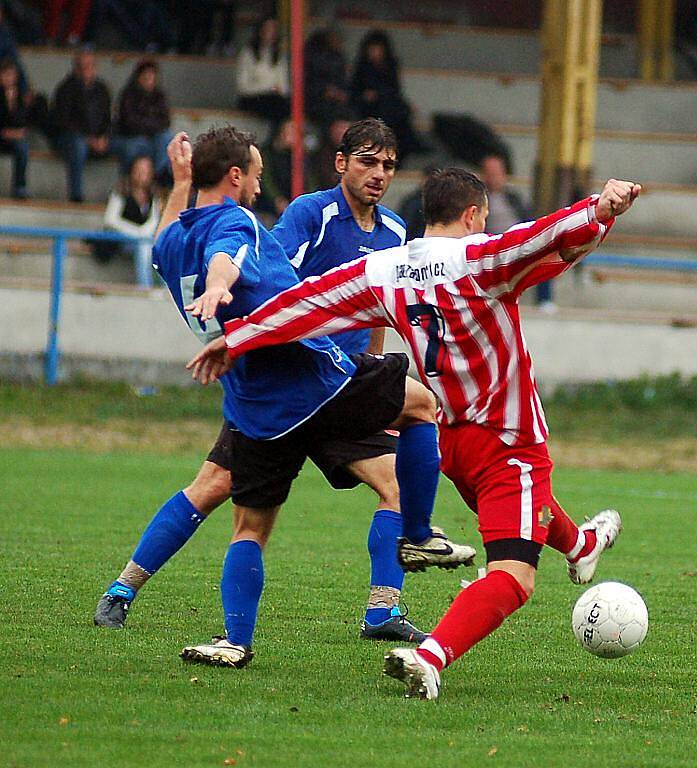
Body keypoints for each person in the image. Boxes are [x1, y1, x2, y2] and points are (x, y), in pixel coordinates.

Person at [188, 169, 641, 697]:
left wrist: (239, 338)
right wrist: (601, 210)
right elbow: (546, 236)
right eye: (484, 218)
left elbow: (310, 301)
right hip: (507, 440)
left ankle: (582, 544)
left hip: (449, 444)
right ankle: (431, 656)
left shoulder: (385, 268)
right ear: (473, 214)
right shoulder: (481, 259)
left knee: (526, 505)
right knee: (514, 576)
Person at [94, 127, 476, 666]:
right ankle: (415, 535)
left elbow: (165, 238)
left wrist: (179, 182)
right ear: (236, 176)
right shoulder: (251, 219)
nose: (259, 181)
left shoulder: (176, 238)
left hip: (263, 400)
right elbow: (230, 256)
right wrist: (220, 286)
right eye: (254, 171)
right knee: (422, 406)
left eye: (388, 164)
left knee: (260, 520)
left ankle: (266, 634)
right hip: (314, 379)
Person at [479, 152, 552, 308]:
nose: (494, 177)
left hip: (517, 241)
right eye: (490, 173)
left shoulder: (514, 198)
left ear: (504, 174)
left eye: (497, 173)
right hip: (491, 245)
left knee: (545, 253)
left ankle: (545, 300)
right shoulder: (478, 200)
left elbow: (529, 221)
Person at [349, 30, 427, 163]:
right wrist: (366, 95)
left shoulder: (390, 67)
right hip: (369, 109)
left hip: (388, 106)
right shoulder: (362, 68)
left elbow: (394, 91)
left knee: (399, 114)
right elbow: (354, 92)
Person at [51, 51, 112, 203]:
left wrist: (104, 137)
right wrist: (89, 139)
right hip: (70, 139)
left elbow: (107, 118)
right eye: (82, 66)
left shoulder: (102, 89)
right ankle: (76, 195)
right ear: (75, 69)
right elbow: (63, 121)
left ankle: (127, 198)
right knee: (78, 146)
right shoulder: (65, 89)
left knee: (130, 147)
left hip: (97, 139)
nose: (86, 70)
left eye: (89, 66)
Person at [99, 154, 160, 288]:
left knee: (158, 247)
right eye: (139, 170)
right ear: (132, 170)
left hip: (144, 238)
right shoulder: (121, 191)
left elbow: (154, 220)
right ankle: (145, 287)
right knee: (144, 247)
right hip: (122, 239)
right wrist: (135, 232)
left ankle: (164, 287)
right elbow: (110, 220)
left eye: (145, 171)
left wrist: (143, 233)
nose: (141, 174)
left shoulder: (152, 194)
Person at [114, 59, 172, 183]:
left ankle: (158, 176)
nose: (149, 79)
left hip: (154, 136)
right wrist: (150, 126)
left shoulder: (160, 96)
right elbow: (129, 122)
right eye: (146, 76)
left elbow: (165, 121)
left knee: (167, 138)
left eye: (152, 76)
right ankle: (130, 179)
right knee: (136, 145)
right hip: (132, 136)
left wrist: (149, 126)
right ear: (139, 77)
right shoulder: (128, 95)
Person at [235, 16, 289, 125]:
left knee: (284, 104)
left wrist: (278, 90)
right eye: (268, 29)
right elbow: (243, 87)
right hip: (252, 97)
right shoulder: (248, 53)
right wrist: (268, 88)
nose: (272, 33)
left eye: (274, 29)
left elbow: (284, 84)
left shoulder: (279, 55)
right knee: (274, 105)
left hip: (274, 98)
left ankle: (276, 136)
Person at [304, 29, 351, 126]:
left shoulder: (339, 58)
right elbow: (310, 82)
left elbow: (344, 82)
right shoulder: (314, 58)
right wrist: (325, 90)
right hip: (317, 104)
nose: (338, 43)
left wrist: (342, 93)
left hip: (337, 103)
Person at [0, 58, 29, 198]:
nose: (9, 78)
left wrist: (11, 103)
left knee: (22, 147)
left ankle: (20, 187)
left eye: (11, 75)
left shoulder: (19, 97)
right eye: (6, 75)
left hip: (11, 138)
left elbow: (22, 124)